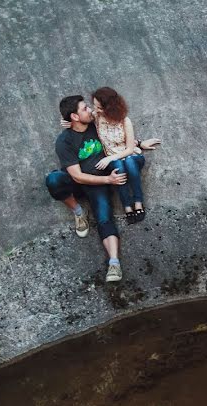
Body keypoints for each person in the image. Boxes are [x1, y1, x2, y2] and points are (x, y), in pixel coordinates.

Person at [45, 94, 128, 282]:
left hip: (98, 183)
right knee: (53, 179)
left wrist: (138, 144)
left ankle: (114, 264)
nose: (90, 110)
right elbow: (77, 176)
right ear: (74, 117)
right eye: (84, 108)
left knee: (104, 218)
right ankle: (78, 211)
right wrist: (109, 180)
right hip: (80, 182)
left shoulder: (96, 126)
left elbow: (118, 136)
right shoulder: (64, 141)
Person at [63, 87, 160, 224]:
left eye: (99, 107)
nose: (95, 110)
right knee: (119, 166)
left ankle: (138, 201)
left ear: (110, 107)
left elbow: (129, 148)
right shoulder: (97, 118)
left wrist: (110, 157)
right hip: (116, 160)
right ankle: (127, 205)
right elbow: (76, 120)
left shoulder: (125, 121)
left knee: (130, 162)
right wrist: (66, 121)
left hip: (129, 154)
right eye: (94, 106)